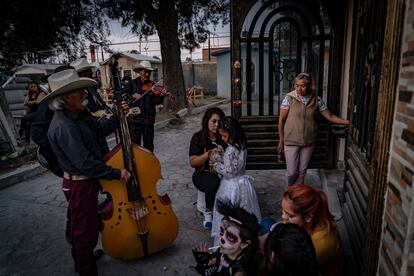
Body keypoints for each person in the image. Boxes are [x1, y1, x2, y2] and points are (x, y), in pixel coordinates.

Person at [45, 68, 131, 275]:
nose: (85, 94)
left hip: (87, 181)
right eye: (79, 91)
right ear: (66, 97)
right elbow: (86, 163)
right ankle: (85, 268)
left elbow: (99, 130)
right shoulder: (64, 126)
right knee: (85, 231)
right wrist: (117, 173)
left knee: (86, 227)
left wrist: (118, 116)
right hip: (80, 184)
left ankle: (84, 257)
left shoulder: (79, 113)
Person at [277, 72, 349, 185]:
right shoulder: (289, 98)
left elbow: (330, 116)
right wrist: (281, 140)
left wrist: (348, 122)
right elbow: (281, 120)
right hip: (291, 140)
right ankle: (290, 191)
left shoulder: (317, 100)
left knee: (302, 172)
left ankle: (299, 195)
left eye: (303, 86)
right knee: (292, 173)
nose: (299, 88)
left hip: (309, 141)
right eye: (297, 85)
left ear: (309, 86)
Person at [210, 116, 261, 245]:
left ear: (232, 134)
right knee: (244, 212)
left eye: (225, 136)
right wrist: (221, 158)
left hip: (231, 187)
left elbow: (230, 172)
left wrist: (216, 166)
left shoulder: (231, 150)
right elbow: (236, 166)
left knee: (231, 215)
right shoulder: (241, 145)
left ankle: (230, 240)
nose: (223, 139)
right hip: (243, 183)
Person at [281, 184, 344, 276]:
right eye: (283, 210)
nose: (283, 217)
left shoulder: (320, 242)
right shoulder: (313, 220)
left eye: (290, 215)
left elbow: (296, 269)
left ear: (308, 217)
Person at [192, 199, 260, 276]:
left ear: (244, 244)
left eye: (230, 237)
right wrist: (207, 258)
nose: (222, 238)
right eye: (221, 232)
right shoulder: (224, 251)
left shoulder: (240, 272)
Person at [189, 107, 226, 230]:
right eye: (213, 121)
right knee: (213, 182)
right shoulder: (198, 137)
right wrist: (208, 154)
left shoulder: (224, 137)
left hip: (222, 171)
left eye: (219, 122)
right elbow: (193, 162)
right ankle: (208, 213)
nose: (216, 125)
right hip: (202, 173)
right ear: (206, 121)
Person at [124, 60, 164, 152]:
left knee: (149, 146)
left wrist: (161, 96)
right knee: (135, 146)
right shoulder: (132, 84)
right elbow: (123, 96)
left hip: (148, 120)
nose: (147, 75)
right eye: (145, 72)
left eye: (149, 72)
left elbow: (155, 101)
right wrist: (132, 95)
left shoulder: (152, 85)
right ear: (139, 71)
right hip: (135, 121)